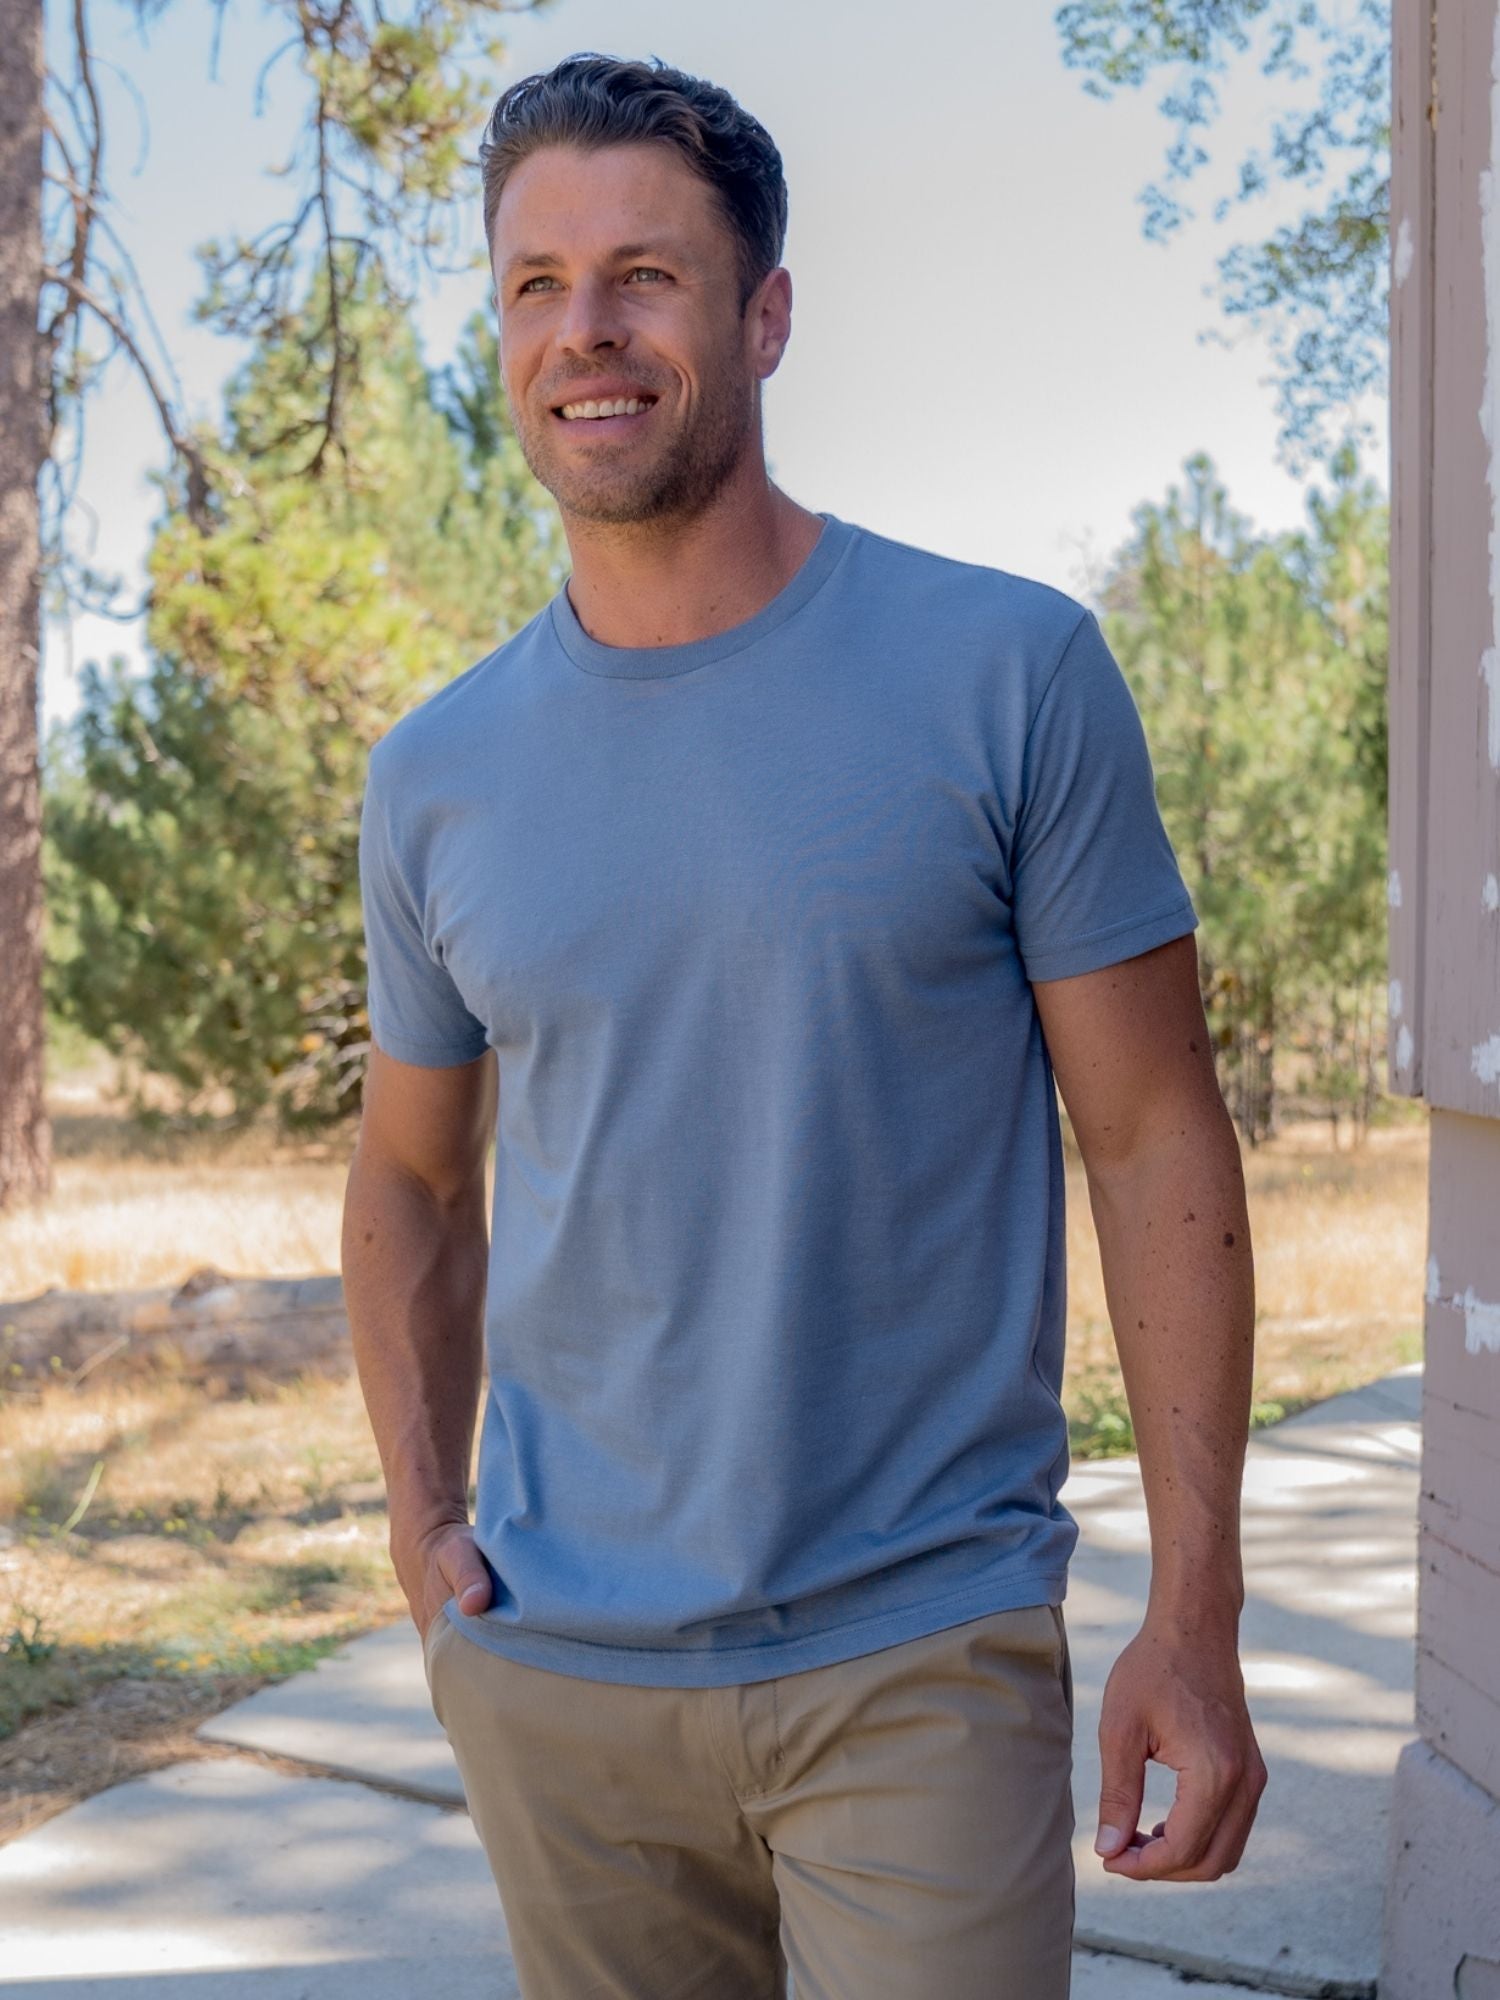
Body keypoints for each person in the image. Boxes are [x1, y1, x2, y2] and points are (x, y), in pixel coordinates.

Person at [341, 51, 1268, 2000]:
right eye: (535, 285)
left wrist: (1197, 1612)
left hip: (919, 1656)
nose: (585, 332)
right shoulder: (436, 775)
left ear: (764, 317)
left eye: (646, 277)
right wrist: (427, 1538)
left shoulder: (1010, 674)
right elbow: (411, 1181)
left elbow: (1154, 1138)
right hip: (559, 1685)